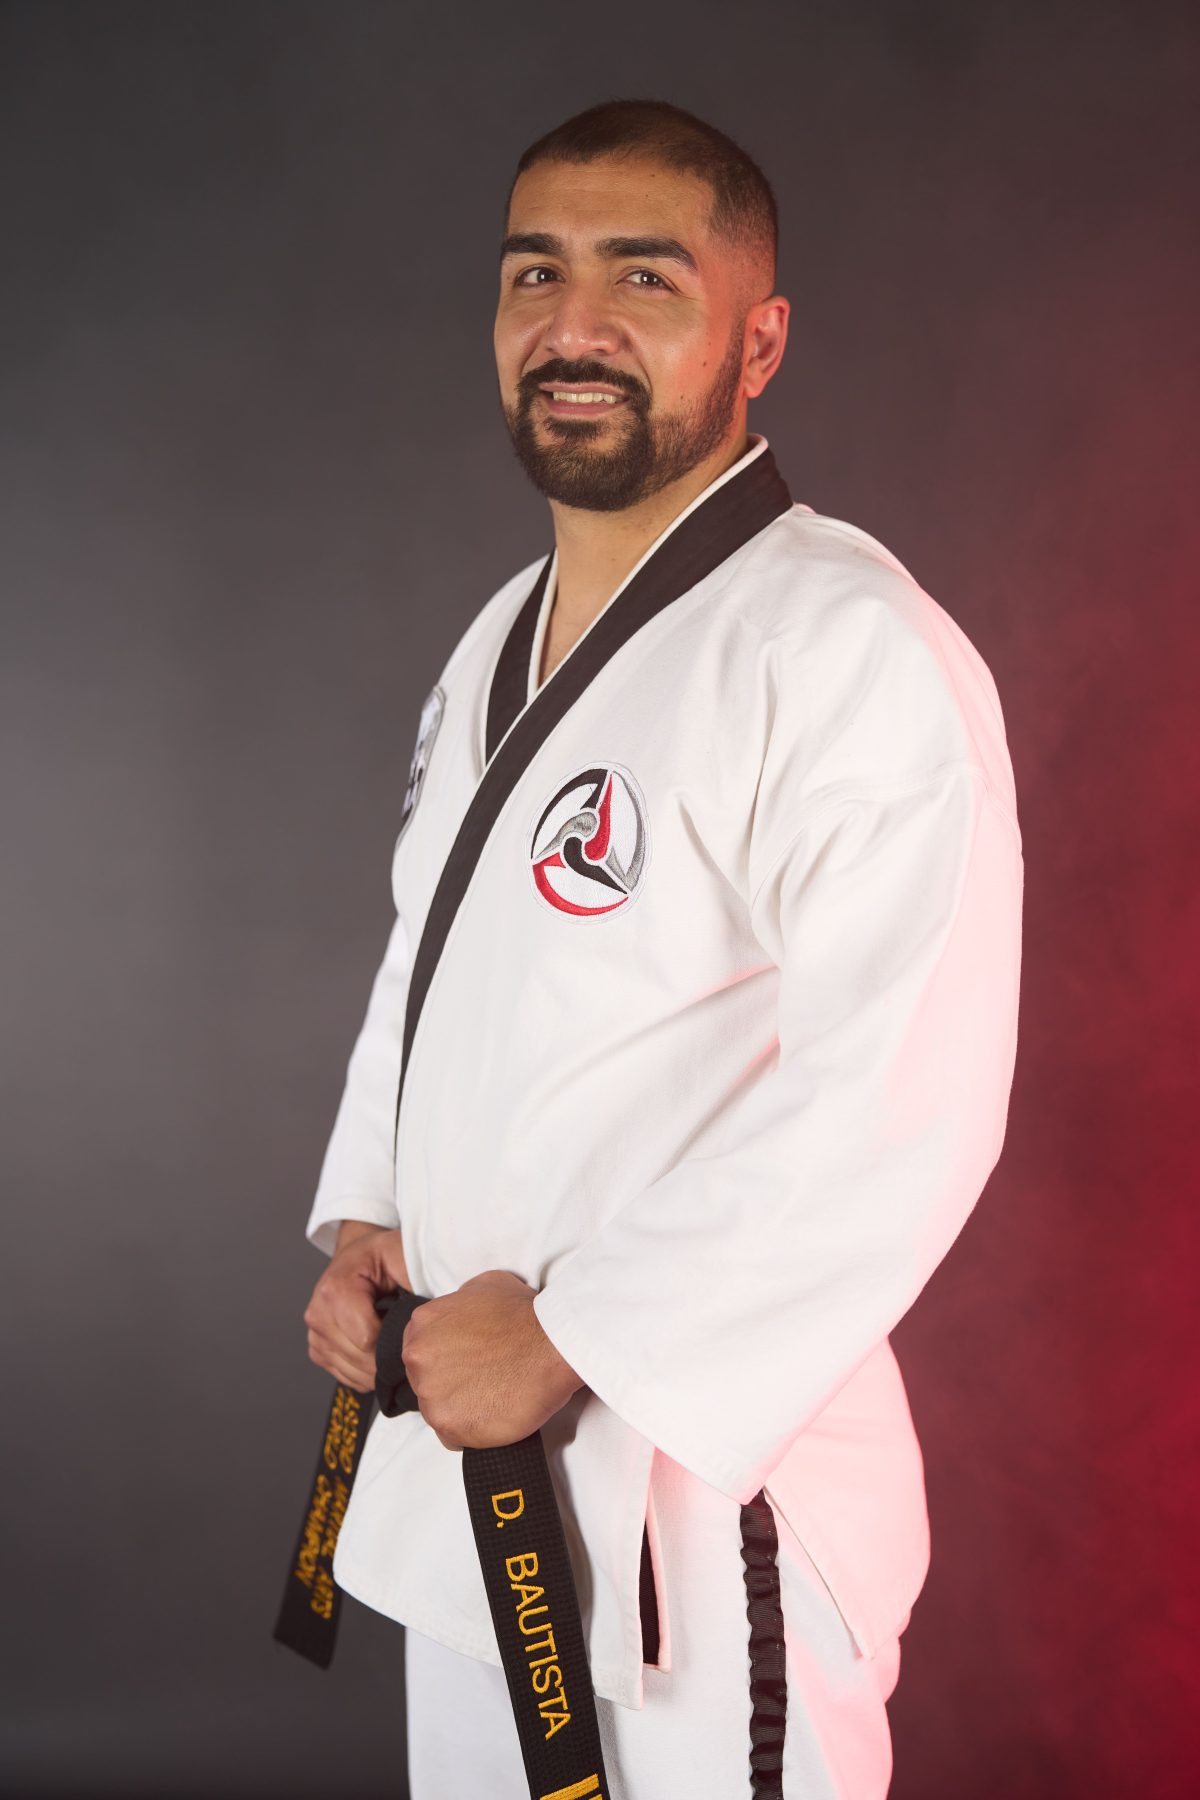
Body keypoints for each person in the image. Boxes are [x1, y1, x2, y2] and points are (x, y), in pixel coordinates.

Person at [299, 99, 1023, 1799]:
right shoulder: (500, 636)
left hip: (710, 1504)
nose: (577, 325)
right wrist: (372, 1219)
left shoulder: (847, 643)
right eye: (534, 273)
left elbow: (901, 1099)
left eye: (646, 277)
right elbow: (439, 965)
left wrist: (571, 1342)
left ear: (758, 337)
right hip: (483, 1466)